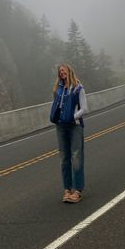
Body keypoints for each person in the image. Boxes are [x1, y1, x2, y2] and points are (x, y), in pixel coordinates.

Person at [49, 63, 88, 203]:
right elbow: (56, 105)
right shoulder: (58, 89)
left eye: (63, 70)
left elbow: (84, 109)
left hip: (74, 127)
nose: (61, 73)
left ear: (69, 71)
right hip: (60, 127)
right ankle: (67, 189)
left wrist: (72, 117)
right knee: (64, 159)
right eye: (60, 71)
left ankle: (78, 190)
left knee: (76, 158)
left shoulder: (78, 88)